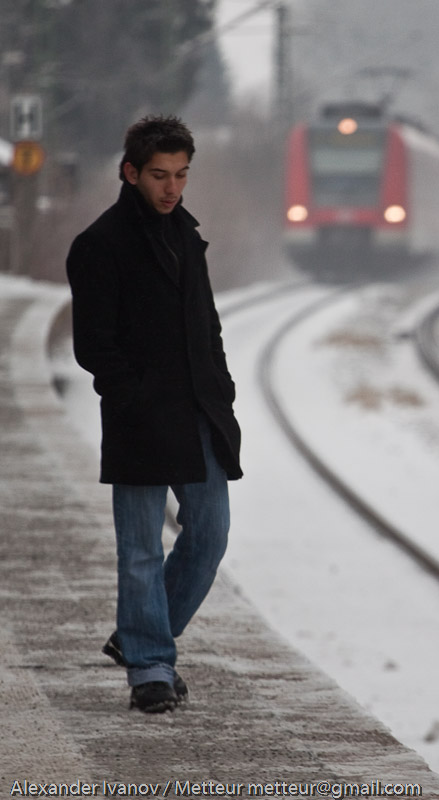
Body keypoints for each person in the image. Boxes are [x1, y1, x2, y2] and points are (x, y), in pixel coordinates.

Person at [66, 115, 243, 713]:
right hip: (140, 417)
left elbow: (208, 324)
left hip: (198, 411)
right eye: (160, 176)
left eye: (181, 175)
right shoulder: (99, 244)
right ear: (131, 173)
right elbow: (92, 344)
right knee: (139, 546)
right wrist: (133, 395)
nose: (172, 188)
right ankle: (149, 668)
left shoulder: (188, 237)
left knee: (210, 534)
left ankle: (143, 636)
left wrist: (221, 388)